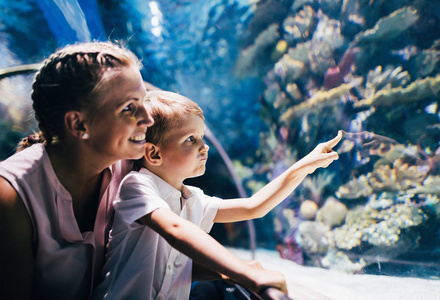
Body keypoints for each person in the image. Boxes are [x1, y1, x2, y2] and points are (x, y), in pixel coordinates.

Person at [92, 90, 342, 300]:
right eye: (191, 139)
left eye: (202, 137)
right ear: (154, 154)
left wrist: (306, 165)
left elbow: (254, 207)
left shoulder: (193, 199)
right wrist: (246, 274)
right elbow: (176, 229)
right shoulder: (137, 186)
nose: (205, 146)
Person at [0, 41, 155, 300]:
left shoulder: (133, 165)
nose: (148, 118)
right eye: (129, 107)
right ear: (77, 123)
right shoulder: (11, 196)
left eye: (144, 102)